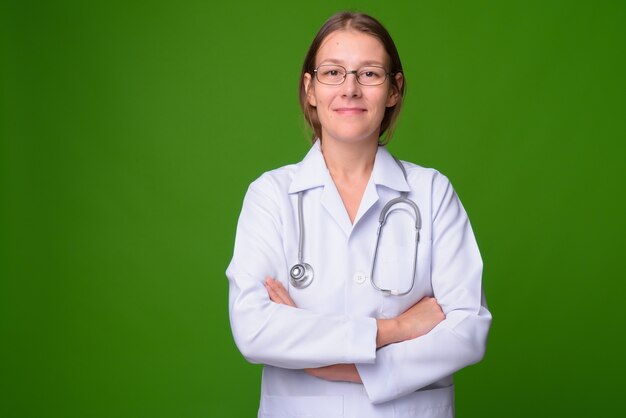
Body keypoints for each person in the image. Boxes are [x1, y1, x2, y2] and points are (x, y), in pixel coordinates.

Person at [226, 11, 491, 418]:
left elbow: (468, 330)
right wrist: (393, 330)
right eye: (333, 72)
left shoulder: (432, 192)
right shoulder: (270, 196)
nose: (350, 89)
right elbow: (255, 330)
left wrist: (335, 363)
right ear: (310, 88)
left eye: (369, 74)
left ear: (394, 90)